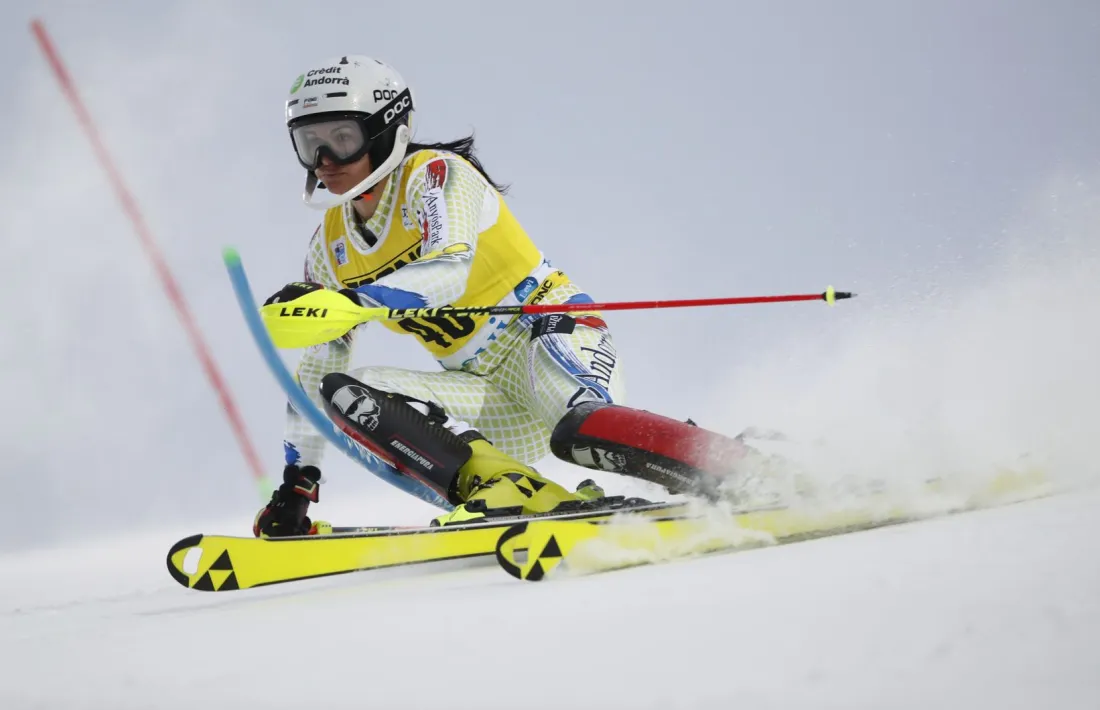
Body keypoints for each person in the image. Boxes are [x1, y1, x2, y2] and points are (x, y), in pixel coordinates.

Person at [253, 55, 755, 537]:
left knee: (579, 429)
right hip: (482, 390)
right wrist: (298, 485)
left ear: (388, 130)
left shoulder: (435, 176)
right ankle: (510, 490)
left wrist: (355, 302)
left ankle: (741, 467)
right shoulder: (329, 247)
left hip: (544, 333)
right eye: (309, 143)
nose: (324, 161)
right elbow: (318, 367)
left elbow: (448, 271)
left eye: (342, 139)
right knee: (347, 392)